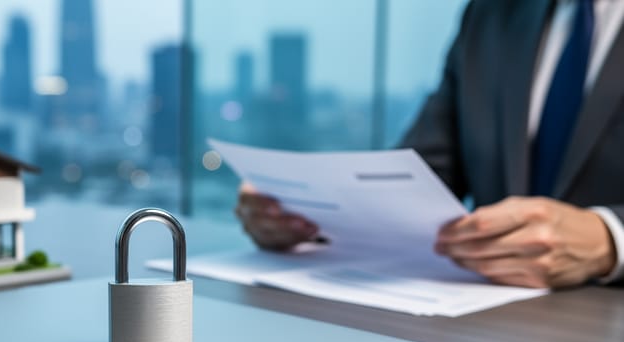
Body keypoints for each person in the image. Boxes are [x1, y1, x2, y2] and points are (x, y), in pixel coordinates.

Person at [236, 0, 624, 288]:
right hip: (496, 325)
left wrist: (610, 237)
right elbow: (421, 176)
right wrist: (305, 213)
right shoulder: (492, 14)